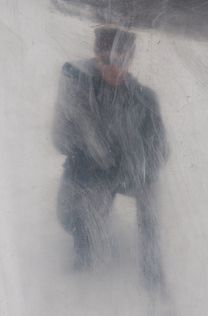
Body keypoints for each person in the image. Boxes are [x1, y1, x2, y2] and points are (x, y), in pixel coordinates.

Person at [52, 27, 169, 289]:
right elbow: (59, 139)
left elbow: (162, 152)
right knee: (83, 203)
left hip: (128, 171)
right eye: (107, 60)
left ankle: (153, 276)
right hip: (88, 172)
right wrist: (93, 145)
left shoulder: (143, 98)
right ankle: (86, 265)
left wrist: (135, 162)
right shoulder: (77, 82)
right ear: (96, 57)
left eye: (122, 61)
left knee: (150, 183)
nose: (115, 68)